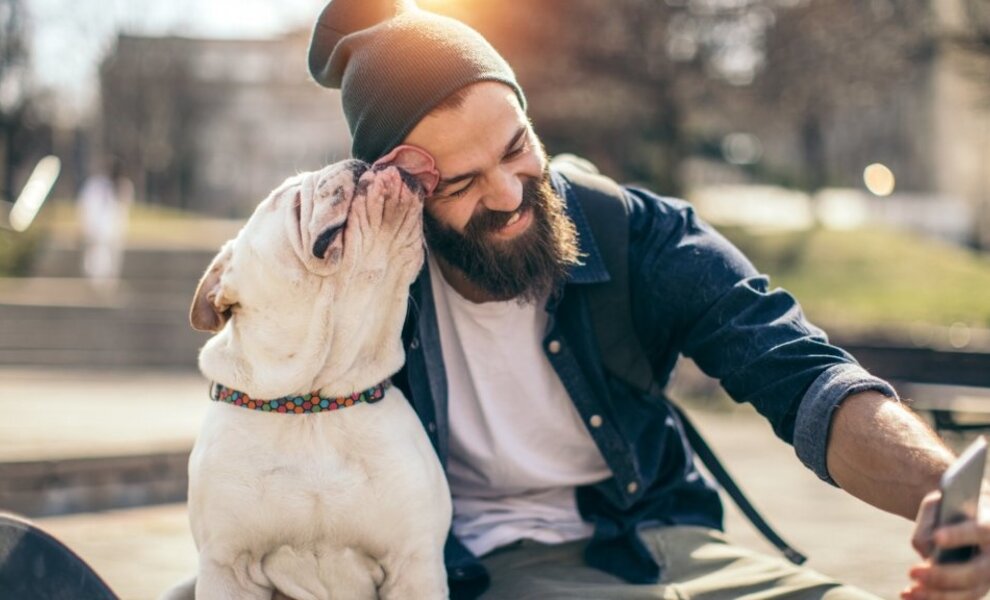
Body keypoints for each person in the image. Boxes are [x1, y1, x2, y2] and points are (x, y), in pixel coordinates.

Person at [303, 1, 990, 599]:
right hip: (488, 567)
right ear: (401, 193)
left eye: (517, 149)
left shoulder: (631, 231)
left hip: (664, 540)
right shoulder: (358, 293)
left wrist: (953, 500)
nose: (510, 196)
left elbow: (804, 378)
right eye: (461, 184)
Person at [77, 157, 132, 291]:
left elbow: (123, 208)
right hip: (97, 229)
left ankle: (108, 284)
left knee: (111, 260)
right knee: (96, 259)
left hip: (114, 231)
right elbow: (87, 206)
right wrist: (87, 226)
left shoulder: (123, 186)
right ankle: (95, 285)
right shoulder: (95, 185)